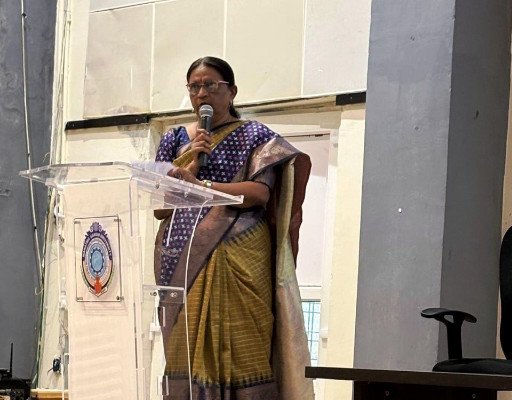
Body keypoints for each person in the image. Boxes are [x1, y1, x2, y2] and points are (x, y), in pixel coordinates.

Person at [154, 56, 314, 399]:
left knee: (243, 345)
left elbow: (259, 193)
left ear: (232, 91)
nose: (201, 94)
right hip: (181, 256)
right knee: (183, 346)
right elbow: (160, 207)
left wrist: (203, 187)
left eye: (210, 85)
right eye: (194, 87)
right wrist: (191, 167)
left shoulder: (255, 136)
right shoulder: (173, 139)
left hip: (239, 253)